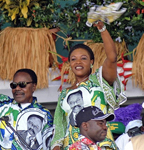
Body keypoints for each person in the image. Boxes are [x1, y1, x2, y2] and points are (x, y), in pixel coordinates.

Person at [51, 21, 126, 150]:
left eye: (83, 58)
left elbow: (112, 57)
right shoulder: (64, 94)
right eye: (73, 59)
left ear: (91, 62)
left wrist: (103, 29)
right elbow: (59, 128)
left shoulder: (100, 80)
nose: (78, 62)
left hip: (101, 145)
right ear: (69, 63)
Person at [0, 40, 54, 150]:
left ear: (33, 86)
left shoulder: (44, 114)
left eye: (22, 84)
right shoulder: (1, 105)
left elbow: (48, 144)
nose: (17, 88)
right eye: (14, 85)